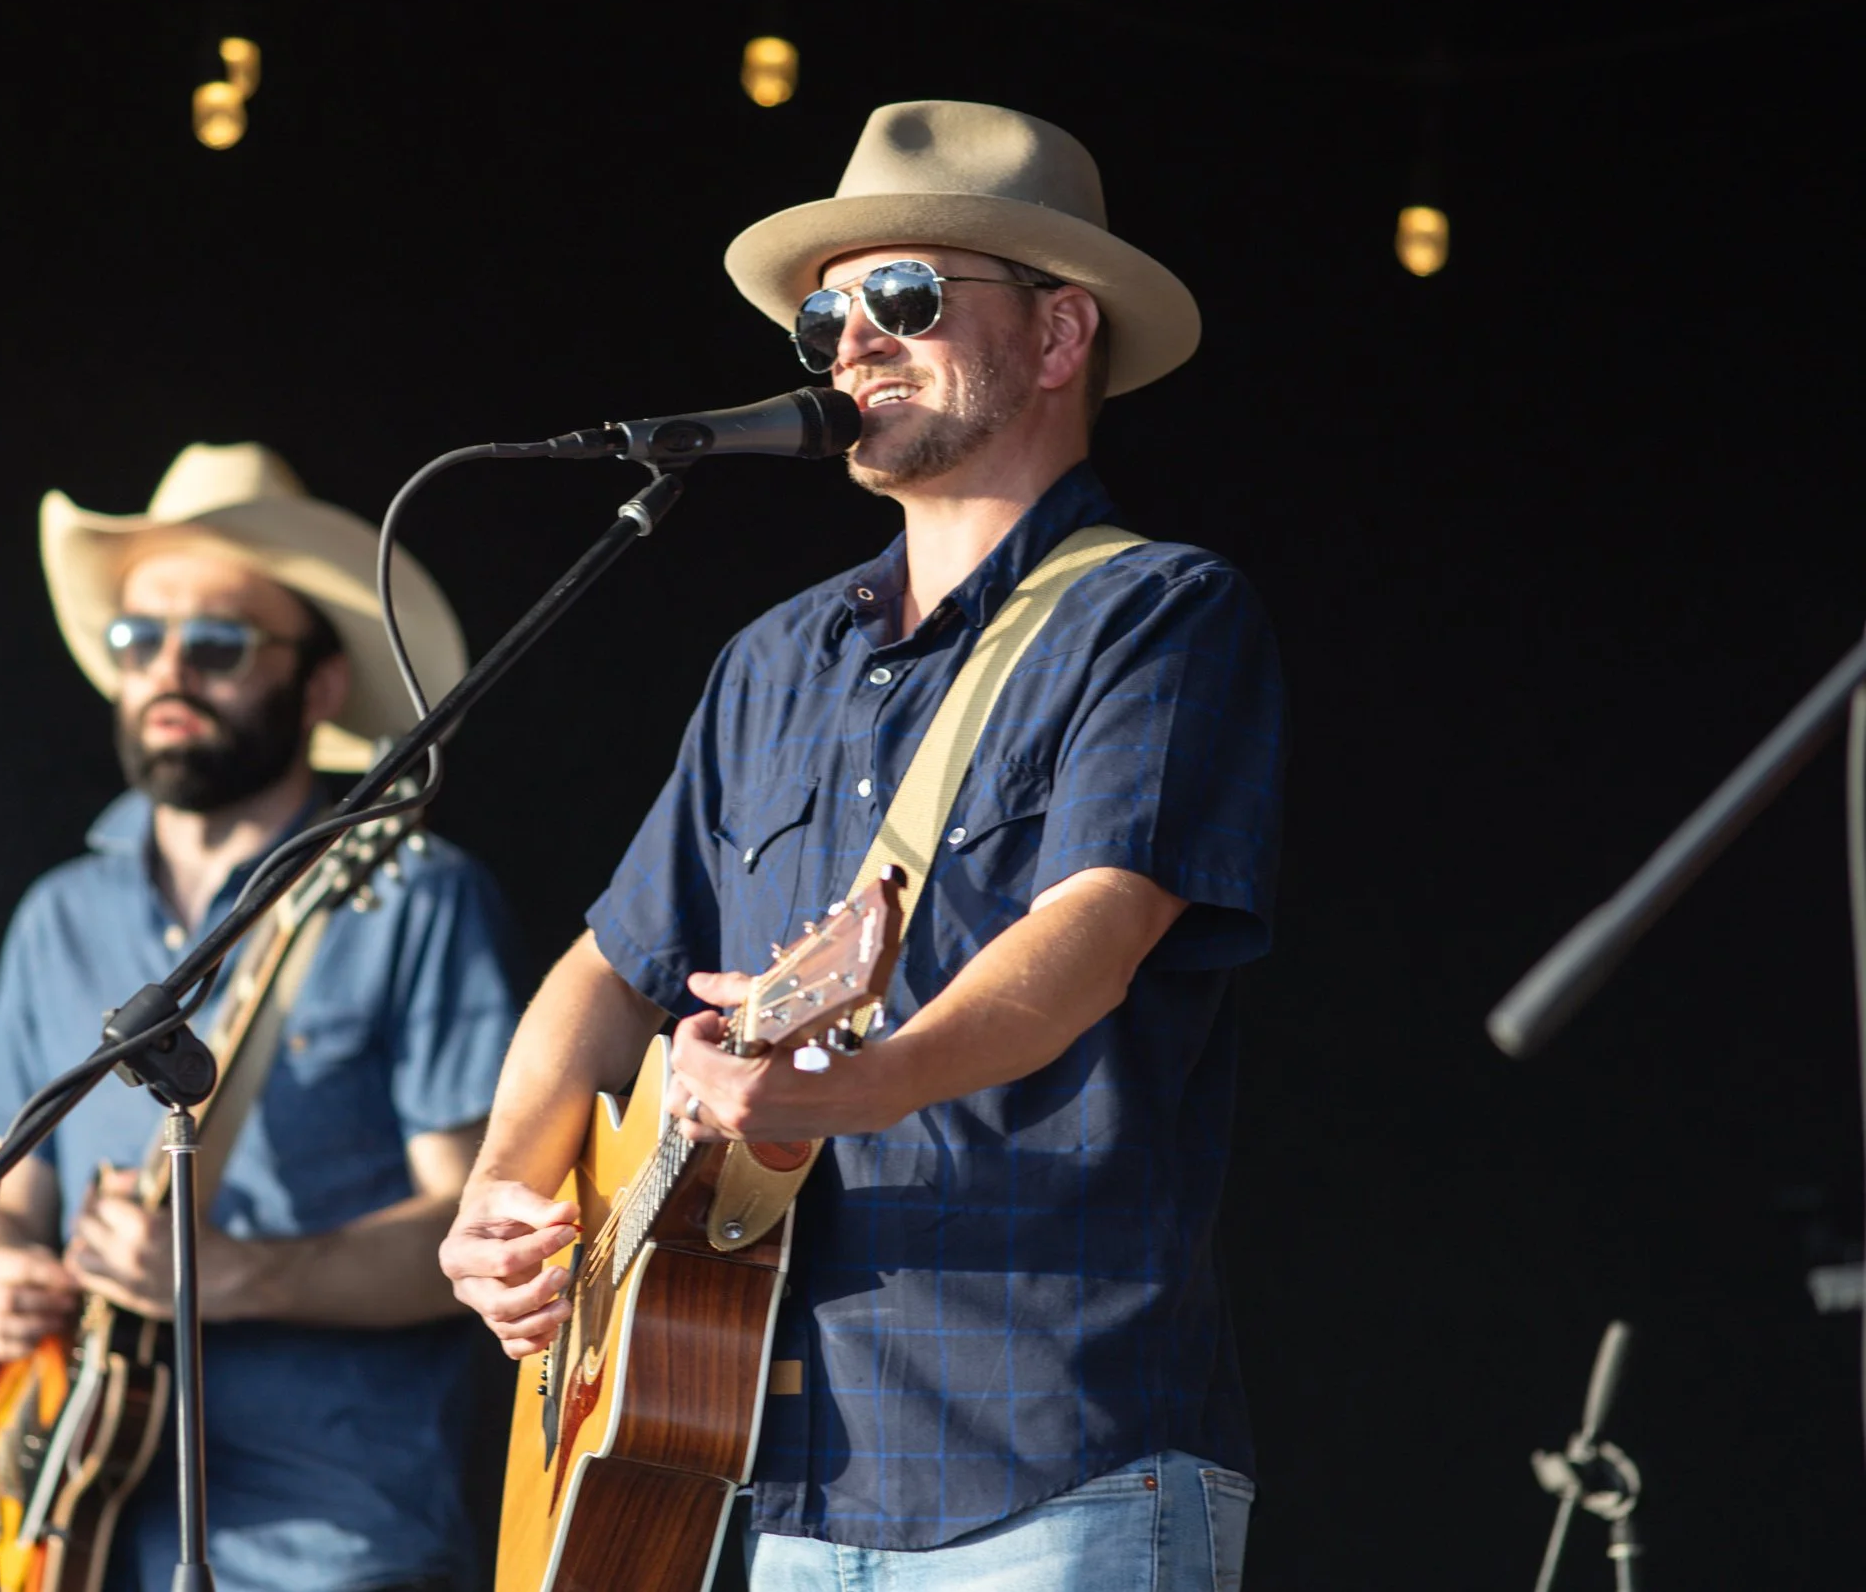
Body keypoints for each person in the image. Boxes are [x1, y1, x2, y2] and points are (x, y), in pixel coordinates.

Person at [440, 100, 1287, 1590]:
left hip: (1055, 1458)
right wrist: (510, 1195)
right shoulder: (773, 660)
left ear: (1060, 335)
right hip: (761, 1477)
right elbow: (609, 963)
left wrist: (851, 1084)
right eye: (828, 313)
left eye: (904, 299)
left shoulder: (1156, 612)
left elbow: (1095, 929)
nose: (850, 343)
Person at [0, 442, 518, 1592]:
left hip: (332, 1533)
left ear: (319, 685)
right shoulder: (59, 913)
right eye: (136, 640)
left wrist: (236, 1273)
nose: (167, 672)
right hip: (69, 1524)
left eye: (216, 645)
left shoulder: (412, 895)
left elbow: (477, 1234)